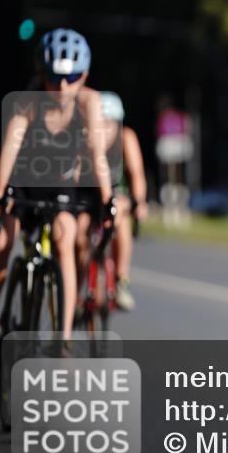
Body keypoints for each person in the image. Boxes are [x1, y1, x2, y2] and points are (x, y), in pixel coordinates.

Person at [0, 29, 114, 358]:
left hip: (60, 181)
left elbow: (97, 153)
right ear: (40, 74)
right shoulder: (27, 102)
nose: (62, 87)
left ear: (85, 75)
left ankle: (62, 339)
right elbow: (10, 147)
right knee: (1, 241)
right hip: (23, 179)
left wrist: (107, 200)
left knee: (65, 237)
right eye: (53, 78)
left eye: (72, 77)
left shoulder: (89, 102)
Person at [76, 92, 148, 311]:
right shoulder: (85, 139)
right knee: (79, 234)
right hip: (88, 197)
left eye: (108, 124)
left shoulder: (127, 138)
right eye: (99, 123)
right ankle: (75, 288)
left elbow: (137, 175)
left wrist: (139, 202)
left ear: (118, 123)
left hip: (118, 196)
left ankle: (120, 280)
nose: (103, 129)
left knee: (121, 218)